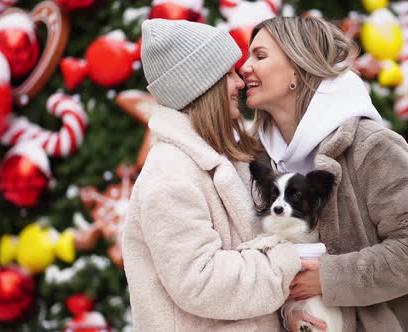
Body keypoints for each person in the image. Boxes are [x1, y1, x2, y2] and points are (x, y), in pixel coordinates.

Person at [240, 16, 408, 331]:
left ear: (296, 68)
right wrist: (292, 312)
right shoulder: (260, 161)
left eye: (260, 56)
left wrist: (329, 277)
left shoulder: (371, 146)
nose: (245, 68)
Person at [122, 19, 307, 331]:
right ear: (202, 85)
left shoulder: (220, 156)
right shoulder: (170, 175)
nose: (239, 83)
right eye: (229, 74)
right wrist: (288, 262)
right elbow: (200, 281)